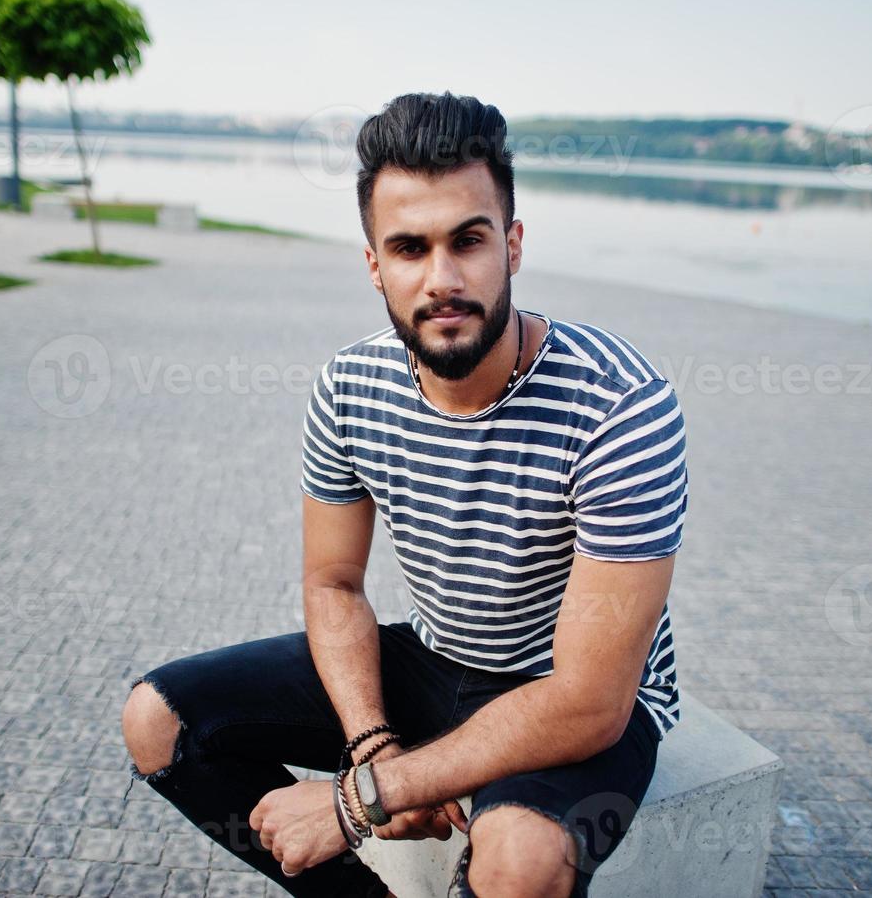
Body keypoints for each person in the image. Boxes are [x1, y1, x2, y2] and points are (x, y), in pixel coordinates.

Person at [122, 91, 689, 897]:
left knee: (521, 865)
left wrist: (357, 802)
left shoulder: (617, 404)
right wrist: (371, 746)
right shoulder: (350, 386)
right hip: (434, 658)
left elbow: (592, 700)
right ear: (374, 265)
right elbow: (332, 583)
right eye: (409, 248)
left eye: (468, 240)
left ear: (513, 245)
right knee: (159, 719)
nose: (442, 279)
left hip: (568, 688)